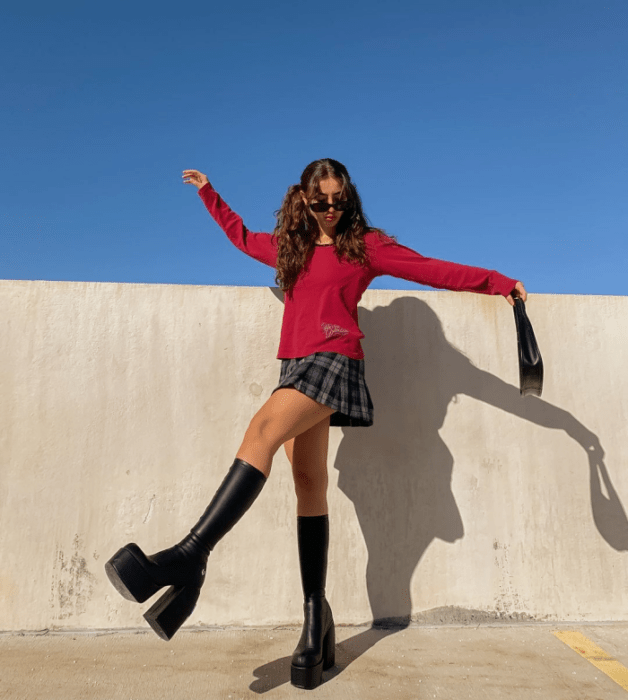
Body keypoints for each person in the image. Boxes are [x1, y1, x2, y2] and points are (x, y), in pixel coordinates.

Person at [105, 158, 526, 690]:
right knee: (309, 485)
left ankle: (189, 557)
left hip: (336, 359)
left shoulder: (366, 246)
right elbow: (240, 237)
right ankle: (315, 619)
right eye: (320, 200)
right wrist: (210, 193)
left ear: (349, 199)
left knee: (260, 431)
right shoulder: (291, 248)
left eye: (339, 200)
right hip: (296, 364)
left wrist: (500, 284)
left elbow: (433, 269)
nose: (331, 210)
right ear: (303, 199)